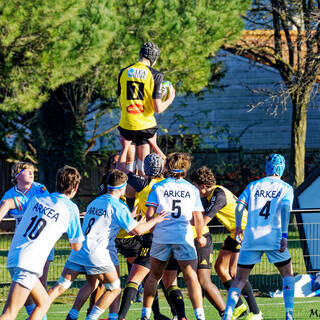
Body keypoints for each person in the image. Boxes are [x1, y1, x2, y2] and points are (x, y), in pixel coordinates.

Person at [48, 169, 168, 320]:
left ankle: (64, 315)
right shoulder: (118, 205)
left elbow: (108, 222)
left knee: (71, 284)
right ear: (122, 188)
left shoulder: (96, 201)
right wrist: (156, 220)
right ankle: (91, 318)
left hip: (80, 251)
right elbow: (137, 231)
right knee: (115, 289)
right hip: (98, 252)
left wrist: (131, 218)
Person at [0, 165, 84, 320]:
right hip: (29, 262)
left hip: (16, 255)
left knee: (44, 302)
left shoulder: (37, 198)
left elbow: (9, 204)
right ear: (75, 187)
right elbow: (77, 245)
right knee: (9, 313)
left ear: (57, 182)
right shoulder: (70, 209)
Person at [222, 154, 294, 320]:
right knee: (287, 275)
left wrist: (239, 226)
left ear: (267, 168)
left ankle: (227, 314)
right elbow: (284, 208)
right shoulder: (286, 188)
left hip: (251, 237)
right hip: (273, 237)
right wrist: (284, 235)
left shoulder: (253, 185)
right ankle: (289, 314)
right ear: (281, 169)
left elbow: (239, 206)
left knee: (239, 279)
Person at [117, 152, 185, 320]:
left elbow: (121, 170)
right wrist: (154, 145)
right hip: (174, 235)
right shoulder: (171, 184)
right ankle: (179, 315)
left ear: (145, 168)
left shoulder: (143, 183)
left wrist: (126, 146)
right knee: (170, 282)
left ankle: (122, 317)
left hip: (151, 236)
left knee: (135, 278)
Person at [191, 166, 263, 320]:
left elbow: (203, 221)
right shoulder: (212, 194)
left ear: (203, 186)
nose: (194, 190)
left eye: (195, 187)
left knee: (235, 272)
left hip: (245, 231)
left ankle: (256, 313)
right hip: (235, 232)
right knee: (220, 268)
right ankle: (240, 307)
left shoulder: (219, 195)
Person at [141, 152, 206, 320]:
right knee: (191, 276)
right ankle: (200, 316)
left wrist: (156, 231)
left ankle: (145, 315)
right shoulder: (192, 189)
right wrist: (200, 236)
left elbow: (149, 217)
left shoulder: (158, 187)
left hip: (162, 236)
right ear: (185, 168)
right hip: (183, 236)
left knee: (154, 276)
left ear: (167, 167)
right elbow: (198, 218)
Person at [0, 161, 53, 320]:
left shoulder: (40, 189)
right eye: (27, 170)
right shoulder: (9, 195)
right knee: (27, 285)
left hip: (43, 241)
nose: (31, 173)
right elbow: (5, 205)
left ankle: (39, 315)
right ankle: (35, 315)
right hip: (24, 244)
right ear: (17, 175)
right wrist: (8, 204)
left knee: (40, 284)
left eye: (32, 170)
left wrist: (14, 204)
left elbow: (44, 207)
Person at [117, 41, 175, 174]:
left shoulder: (123, 72)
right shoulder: (156, 75)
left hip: (127, 125)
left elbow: (121, 102)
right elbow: (158, 108)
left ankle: (128, 195)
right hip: (146, 127)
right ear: (154, 59)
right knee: (143, 167)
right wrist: (170, 99)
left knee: (129, 167)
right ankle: (141, 192)